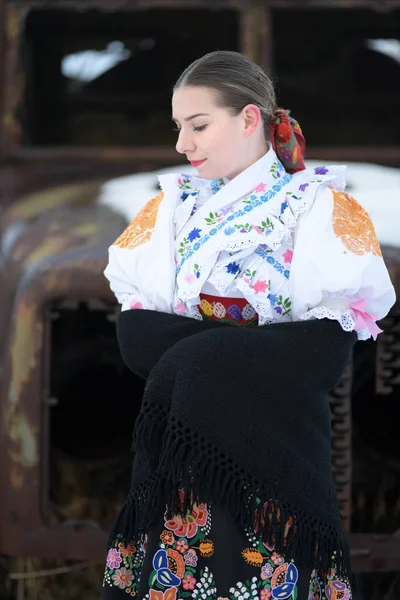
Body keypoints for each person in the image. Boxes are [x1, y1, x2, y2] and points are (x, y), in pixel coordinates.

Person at [102, 51, 395, 600]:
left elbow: (322, 351)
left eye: (198, 125)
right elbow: (137, 336)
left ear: (249, 119)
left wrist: (191, 358)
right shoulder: (166, 212)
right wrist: (243, 352)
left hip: (277, 444)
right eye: (178, 128)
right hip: (186, 454)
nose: (181, 145)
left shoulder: (319, 213)